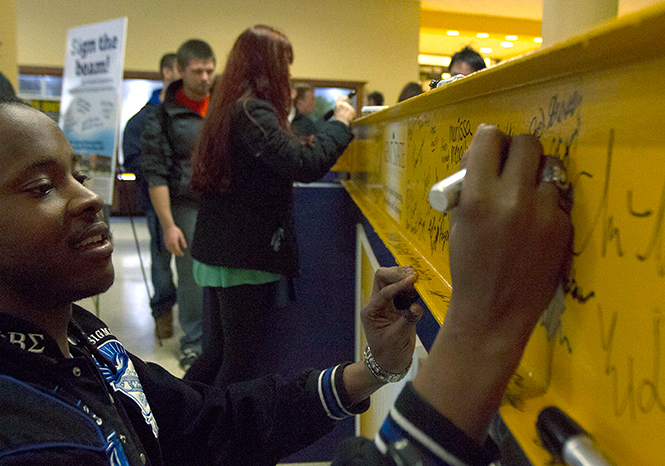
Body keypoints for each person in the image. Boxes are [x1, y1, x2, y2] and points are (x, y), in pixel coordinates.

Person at [0, 89, 573, 465]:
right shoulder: (30, 439)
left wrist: (370, 370)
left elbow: (213, 421)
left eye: (76, 175)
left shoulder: (78, 341)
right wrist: (480, 330)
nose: (89, 200)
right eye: (42, 187)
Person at [187, 25, 356, 387]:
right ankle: (208, 434)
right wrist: (341, 122)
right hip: (242, 253)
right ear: (268, 67)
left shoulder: (232, 107)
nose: (289, 76)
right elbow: (305, 163)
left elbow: (284, 153)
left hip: (223, 249)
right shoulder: (253, 111)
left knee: (216, 354)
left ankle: (175, 422)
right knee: (238, 362)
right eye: (286, 65)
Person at [141, 40, 216, 370]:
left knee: (220, 274)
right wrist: (168, 224)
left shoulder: (222, 108)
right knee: (191, 276)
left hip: (221, 204)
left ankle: (217, 338)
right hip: (184, 205)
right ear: (181, 71)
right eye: (197, 71)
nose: (204, 77)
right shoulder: (162, 115)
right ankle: (193, 342)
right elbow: (155, 173)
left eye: (209, 70)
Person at [122, 53, 179, 340]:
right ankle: (163, 314)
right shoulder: (139, 121)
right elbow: (132, 161)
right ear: (168, 72)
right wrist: (160, 173)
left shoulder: (192, 115)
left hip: (193, 203)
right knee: (161, 260)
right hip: (156, 202)